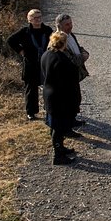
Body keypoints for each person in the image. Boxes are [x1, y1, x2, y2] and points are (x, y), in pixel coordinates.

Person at [41, 30, 81, 165]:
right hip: (60, 98)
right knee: (58, 128)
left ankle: (61, 148)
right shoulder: (61, 60)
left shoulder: (47, 55)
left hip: (49, 94)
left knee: (54, 126)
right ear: (63, 44)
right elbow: (69, 81)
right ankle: (58, 155)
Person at [7, 9, 53, 120]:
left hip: (45, 63)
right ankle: (31, 112)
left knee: (49, 87)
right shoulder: (24, 31)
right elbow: (10, 40)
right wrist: (21, 51)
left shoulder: (47, 30)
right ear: (29, 20)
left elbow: (54, 41)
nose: (38, 19)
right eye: (35, 18)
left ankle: (50, 110)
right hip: (30, 64)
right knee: (31, 89)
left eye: (39, 17)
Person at [54, 12, 90, 125]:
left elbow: (78, 48)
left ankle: (72, 119)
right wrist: (83, 57)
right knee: (69, 100)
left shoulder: (70, 35)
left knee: (76, 98)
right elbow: (70, 60)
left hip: (74, 74)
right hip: (66, 76)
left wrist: (83, 52)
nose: (70, 26)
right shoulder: (58, 40)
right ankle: (68, 123)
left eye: (71, 23)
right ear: (59, 26)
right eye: (67, 24)